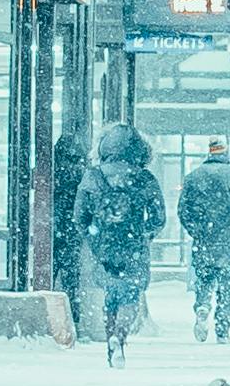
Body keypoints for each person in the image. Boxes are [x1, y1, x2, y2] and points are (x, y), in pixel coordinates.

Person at [69, 122, 165, 365]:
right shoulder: (145, 178)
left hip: (104, 246)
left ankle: (111, 339)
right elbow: (158, 218)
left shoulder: (93, 176)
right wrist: (144, 235)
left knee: (111, 295)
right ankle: (120, 338)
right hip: (134, 245)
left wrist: (94, 237)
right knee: (131, 295)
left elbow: (80, 216)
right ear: (141, 150)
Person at [179, 137, 230, 343]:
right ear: (225, 153)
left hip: (204, 240)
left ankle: (202, 306)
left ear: (209, 153)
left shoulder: (193, 177)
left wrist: (196, 230)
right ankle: (222, 330)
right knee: (227, 287)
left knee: (204, 279)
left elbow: (183, 210)